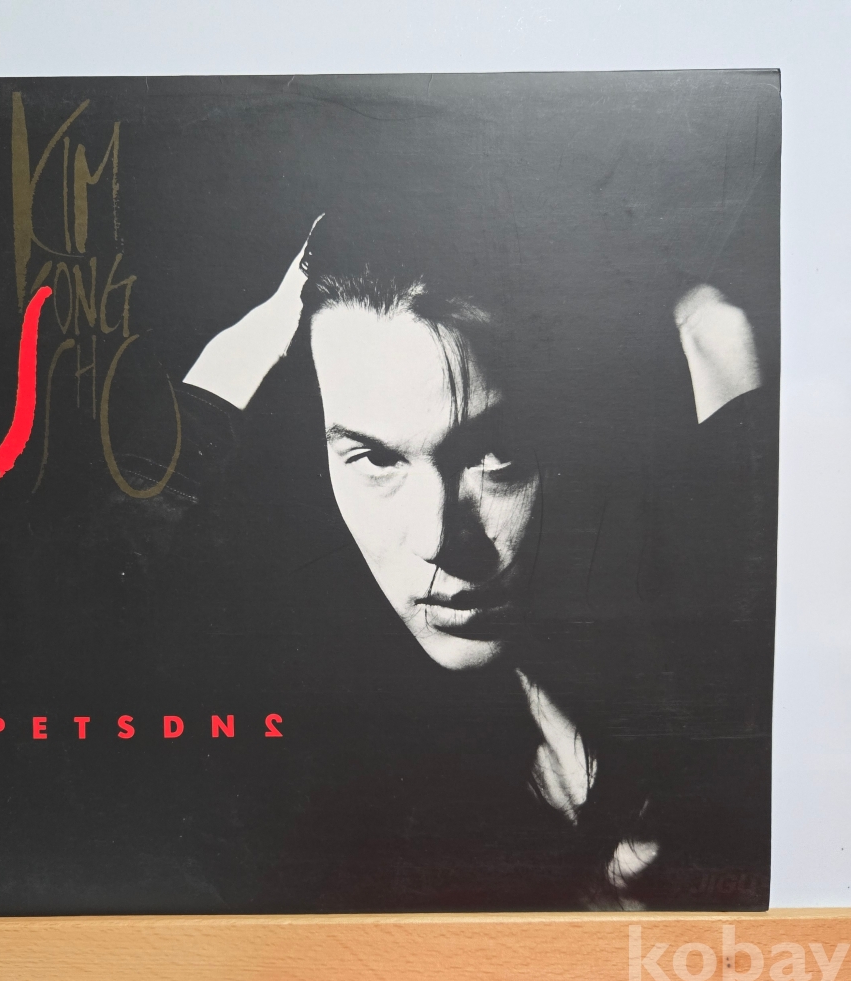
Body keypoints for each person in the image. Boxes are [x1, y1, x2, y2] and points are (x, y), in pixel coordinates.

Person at [134, 205, 771, 911]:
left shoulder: (715, 661)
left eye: (494, 454)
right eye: (376, 459)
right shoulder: (310, 744)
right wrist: (238, 361)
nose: (439, 538)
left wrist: (712, 327)